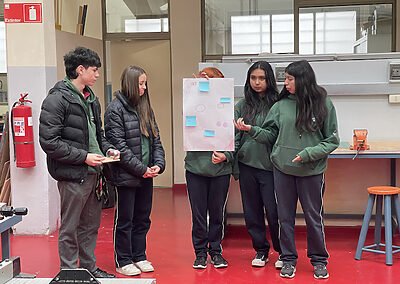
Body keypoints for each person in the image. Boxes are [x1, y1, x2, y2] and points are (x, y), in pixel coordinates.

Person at [234, 60, 340, 279]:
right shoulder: (281, 106)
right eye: (286, 79)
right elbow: (270, 135)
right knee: (285, 218)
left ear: (303, 80)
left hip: (311, 171)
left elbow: (332, 139)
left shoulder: (323, 103)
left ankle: (319, 260)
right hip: (282, 170)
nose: (286, 83)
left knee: (313, 217)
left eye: (290, 79)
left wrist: (309, 154)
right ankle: (288, 259)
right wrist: (251, 129)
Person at [39, 46, 116, 278]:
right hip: (73, 175)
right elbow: (49, 142)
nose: (98, 75)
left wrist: (108, 149)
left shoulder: (91, 99)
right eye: (94, 70)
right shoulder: (56, 100)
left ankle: (89, 270)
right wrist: (84, 157)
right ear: (80, 70)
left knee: (90, 227)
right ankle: (70, 273)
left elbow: (97, 133)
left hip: (94, 173)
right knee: (70, 228)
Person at [104, 66, 165, 276]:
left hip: (146, 175)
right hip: (126, 176)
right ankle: (123, 259)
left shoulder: (145, 107)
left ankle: (139, 255)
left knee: (142, 218)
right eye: (141, 83)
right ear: (130, 84)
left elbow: (156, 139)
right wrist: (141, 170)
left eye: (145, 83)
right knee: (125, 220)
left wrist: (158, 164)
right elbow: (119, 146)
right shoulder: (115, 109)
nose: (144, 87)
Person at [234, 61, 282, 269]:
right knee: (252, 212)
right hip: (247, 166)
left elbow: (277, 136)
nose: (257, 82)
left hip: (271, 168)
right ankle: (260, 250)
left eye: (261, 78)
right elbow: (233, 137)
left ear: (269, 80)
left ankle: (282, 251)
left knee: (275, 212)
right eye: (253, 78)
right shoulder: (241, 105)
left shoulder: (279, 104)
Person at [185, 67, 232, 269]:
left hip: (220, 170)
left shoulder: (229, 107)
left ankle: (216, 250)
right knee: (198, 214)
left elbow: (236, 138)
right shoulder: (190, 105)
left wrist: (226, 155)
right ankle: (200, 253)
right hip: (195, 168)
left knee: (217, 213)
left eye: (211, 81)